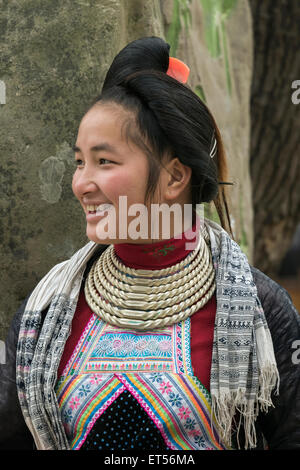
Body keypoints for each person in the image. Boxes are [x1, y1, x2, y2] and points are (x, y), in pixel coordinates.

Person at [0, 37, 299, 451]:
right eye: (79, 162)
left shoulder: (258, 310)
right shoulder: (48, 311)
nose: (81, 184)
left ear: (176, 177)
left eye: (104, 162)